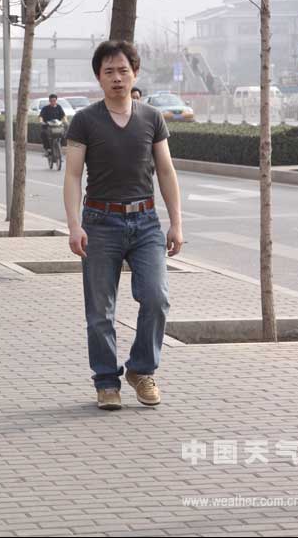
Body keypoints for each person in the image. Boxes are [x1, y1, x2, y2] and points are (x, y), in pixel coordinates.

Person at [64, 40, 183, 411]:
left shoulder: (151, 117)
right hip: (99, 222)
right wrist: (73, 226)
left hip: (146, 221)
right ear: (99, 77)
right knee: (100, 311)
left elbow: (165, 170)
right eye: (109, 71)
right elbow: (72, 175)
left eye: (123, 70)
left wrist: (175, 223)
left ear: (135, 72)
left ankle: (142, 370)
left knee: (156, 297)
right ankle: (105, 381)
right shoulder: (85, 120)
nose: (117, 78)